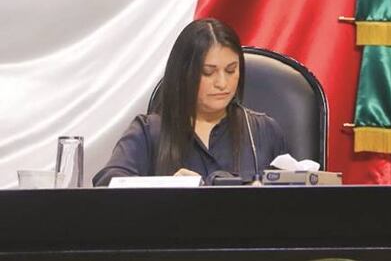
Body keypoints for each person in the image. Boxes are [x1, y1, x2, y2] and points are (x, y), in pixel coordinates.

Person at [93, 19, 288, 186]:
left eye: (231, 70)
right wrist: (166, 186)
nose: (222, 83)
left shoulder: (264, 131)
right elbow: (108, 183)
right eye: (208, 73)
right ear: (184, 74)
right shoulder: (147, 132)